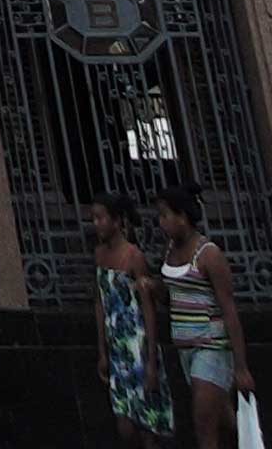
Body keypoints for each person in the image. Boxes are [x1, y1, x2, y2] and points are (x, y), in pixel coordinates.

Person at [154, 184, 251, 449]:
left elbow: (229, 309)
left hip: (212, 346)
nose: (161, 222)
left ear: (182, 216)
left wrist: (241, 367)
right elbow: (169, 297)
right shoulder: (169, 251)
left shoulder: (208, 254)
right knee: (222, 418)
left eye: (165, 215)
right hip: (185, 346)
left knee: (203, 422)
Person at [89, 191, 178, 446]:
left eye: (100, 218)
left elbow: (148, 309)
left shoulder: (133, 257)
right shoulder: (99, 256)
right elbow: (99, 301)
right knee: (124, 424)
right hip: (117, 348)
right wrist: (102, 350)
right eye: (93, 218)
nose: (96, 224)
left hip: (136, 346)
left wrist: (151, 360)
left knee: (146, 424)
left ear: (116, 221)